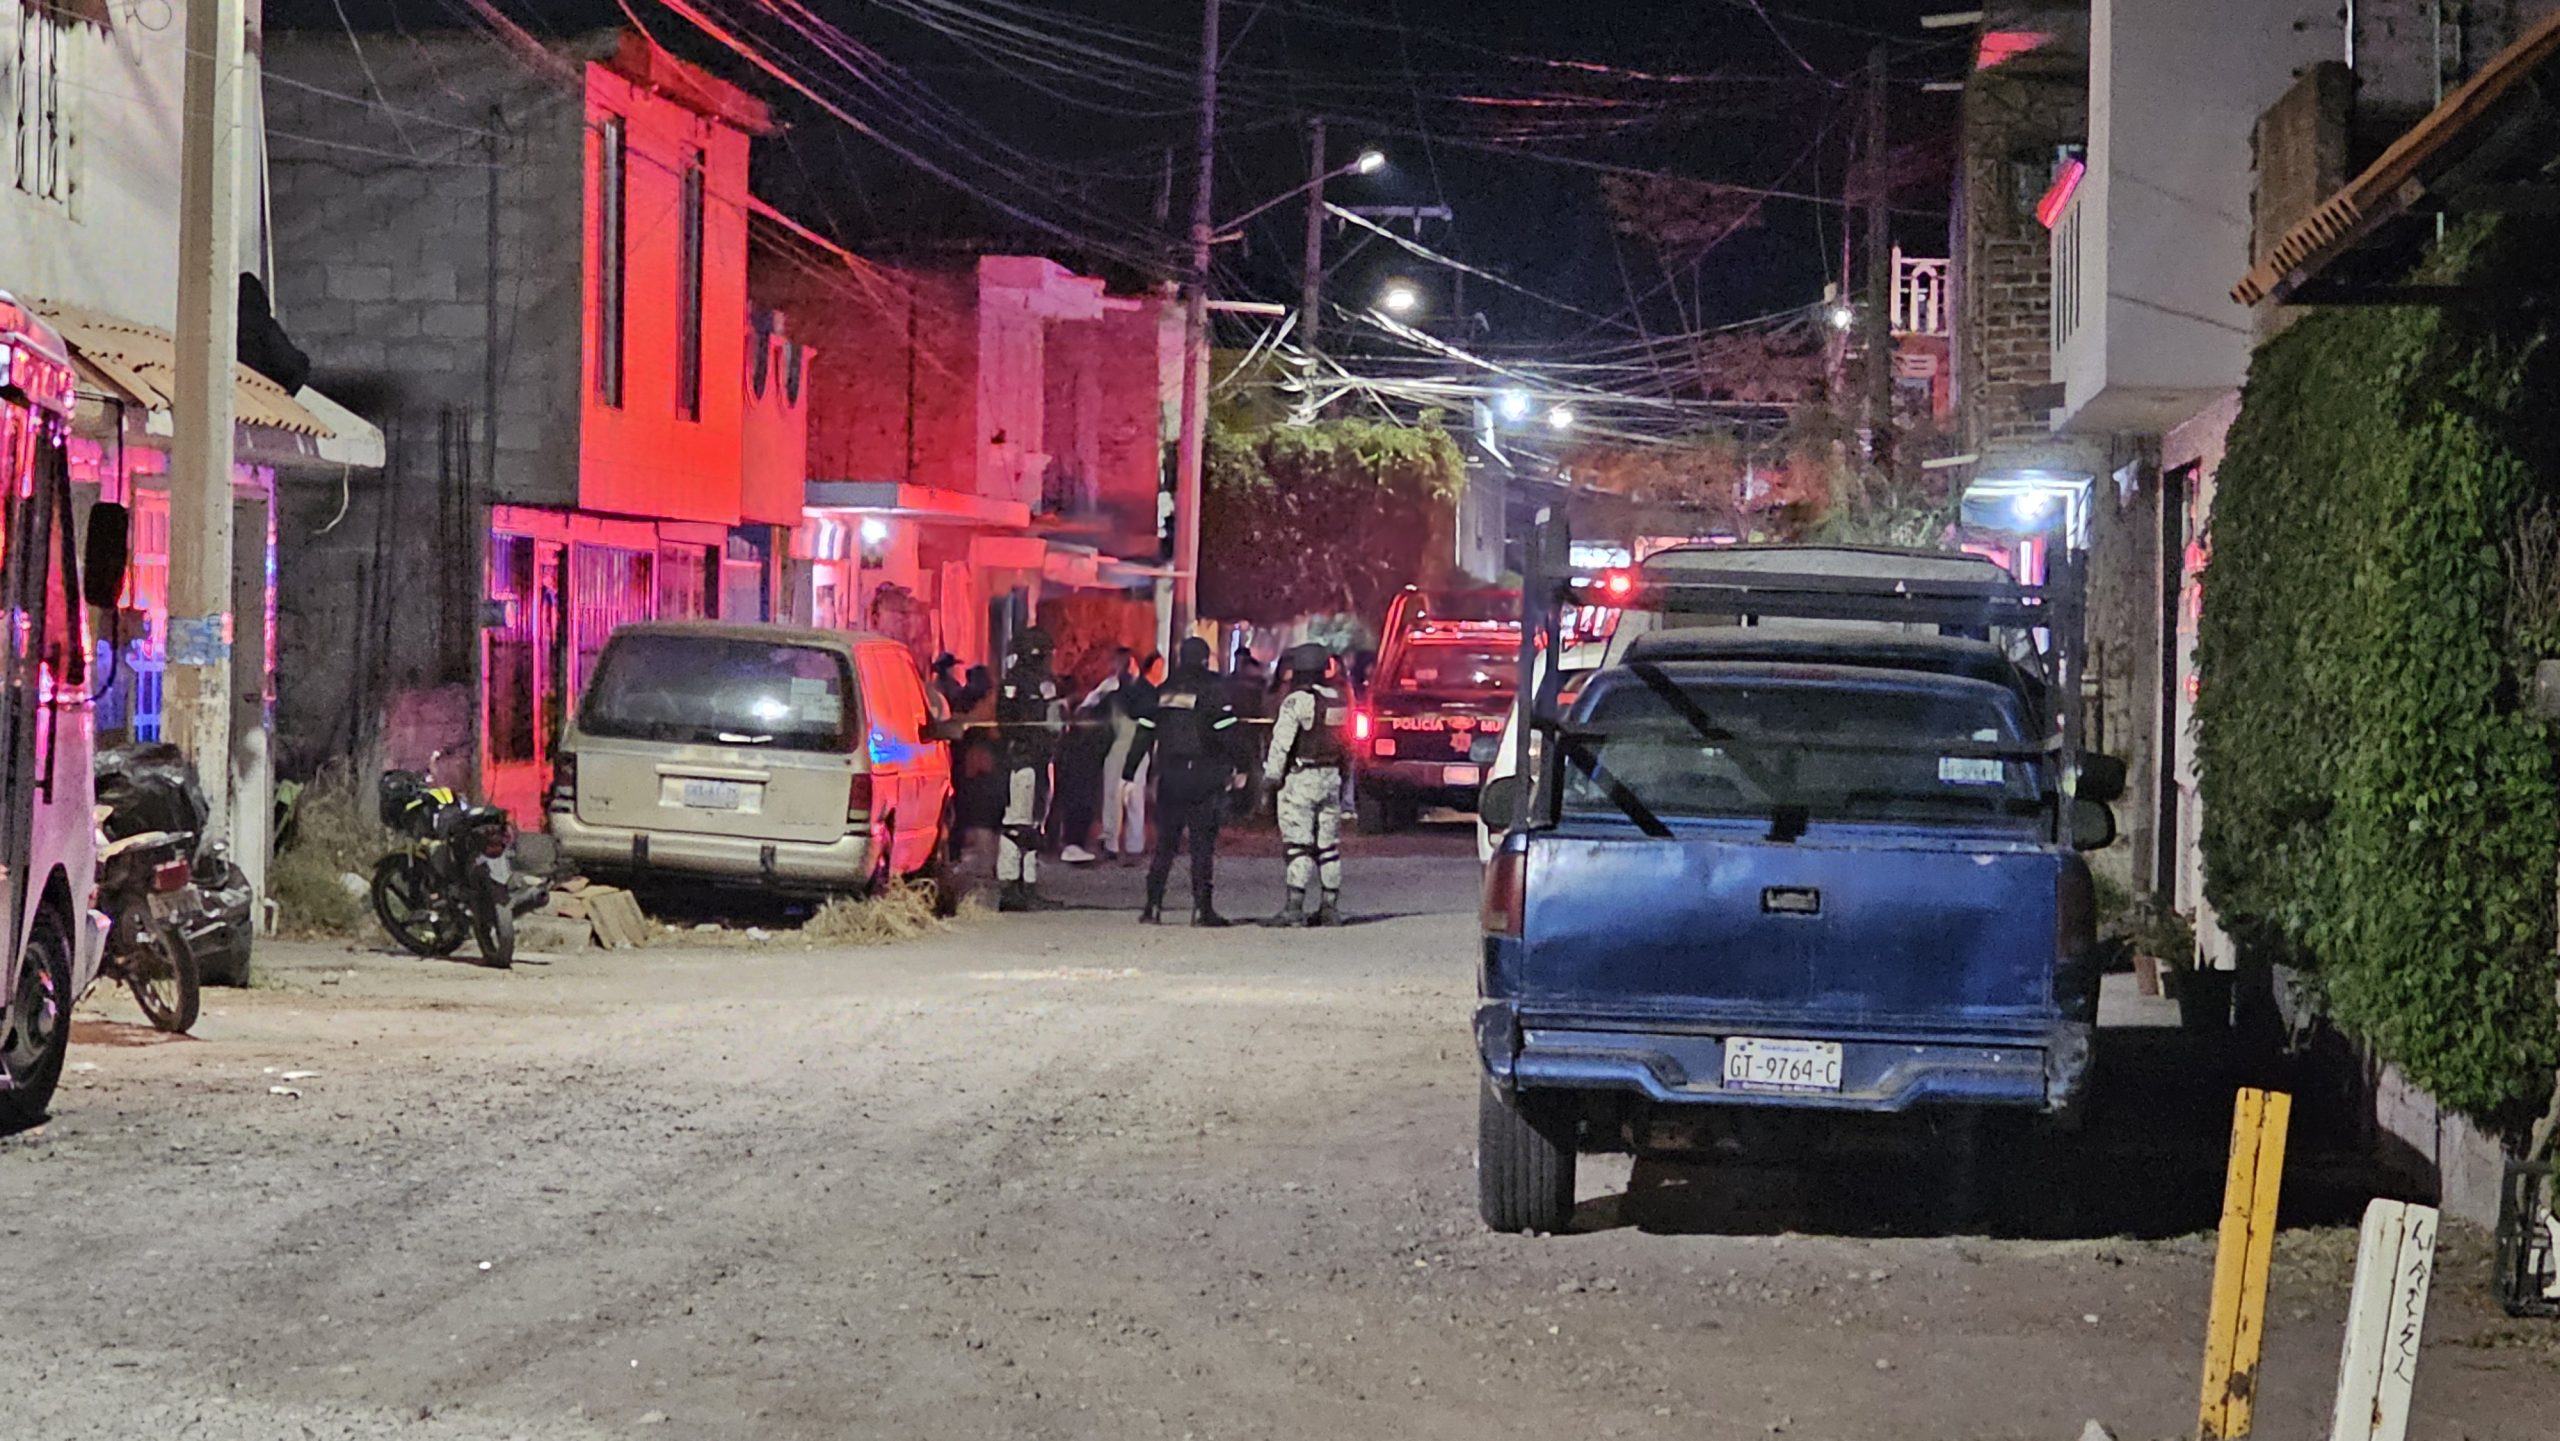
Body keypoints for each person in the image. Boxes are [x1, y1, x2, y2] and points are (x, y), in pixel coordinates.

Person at [1124, 637, 1245, 925]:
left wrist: (1129, 770)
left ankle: (1152, 906)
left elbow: (1144, 731)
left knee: (1165, 844)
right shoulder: (1212, 689)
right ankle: (1202, 909)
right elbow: (1227, 733)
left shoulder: (1165, 690)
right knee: (1202, 846)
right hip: (1204, 775)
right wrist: (1242, 766)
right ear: (1205, 659)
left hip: (1171, 775)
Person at [1260, 642, 1351, 926]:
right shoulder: (1338, 699)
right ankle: (1330, 907)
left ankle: (1294, 908)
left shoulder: (1297, 701)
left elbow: (1281, 744)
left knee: (1298, 845)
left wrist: (1271, 779)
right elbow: (1348, 745)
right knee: (1328, 846)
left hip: (1300, 780)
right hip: (1331, 778)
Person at [994, 627, 1066, 912]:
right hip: (1026, 762)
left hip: (1030, 761)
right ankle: (1013, 886)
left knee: (1030, 823)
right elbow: (1052, 723)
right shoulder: (1035, 684)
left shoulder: (1014, 683)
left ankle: (1025, 884)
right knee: (1019, 823)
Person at [1093, 648, 1156, 862]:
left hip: (1126, 748)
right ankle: (1126, 846)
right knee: (1125, 798)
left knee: (1123, 798)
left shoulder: (1120, 691)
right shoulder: (1142, 691)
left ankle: (1120, 845)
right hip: (1128, 749)